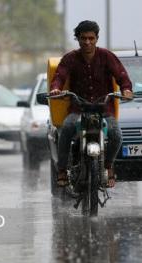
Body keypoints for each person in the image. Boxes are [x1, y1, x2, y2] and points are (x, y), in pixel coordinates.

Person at [50, 20, 133, 188]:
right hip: (78, 110)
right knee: (65, 129)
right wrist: (56, 89)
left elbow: (121, 75)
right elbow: (59, 76)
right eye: (83, 38)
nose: (87, 42)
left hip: (104, 110)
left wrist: (126, 89)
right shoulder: (70, 58)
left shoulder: (107, 56)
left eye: (91, 38)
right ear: (78, 39)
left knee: (116, 135)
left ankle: (108, 165)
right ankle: (61, 170)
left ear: (96, 39)